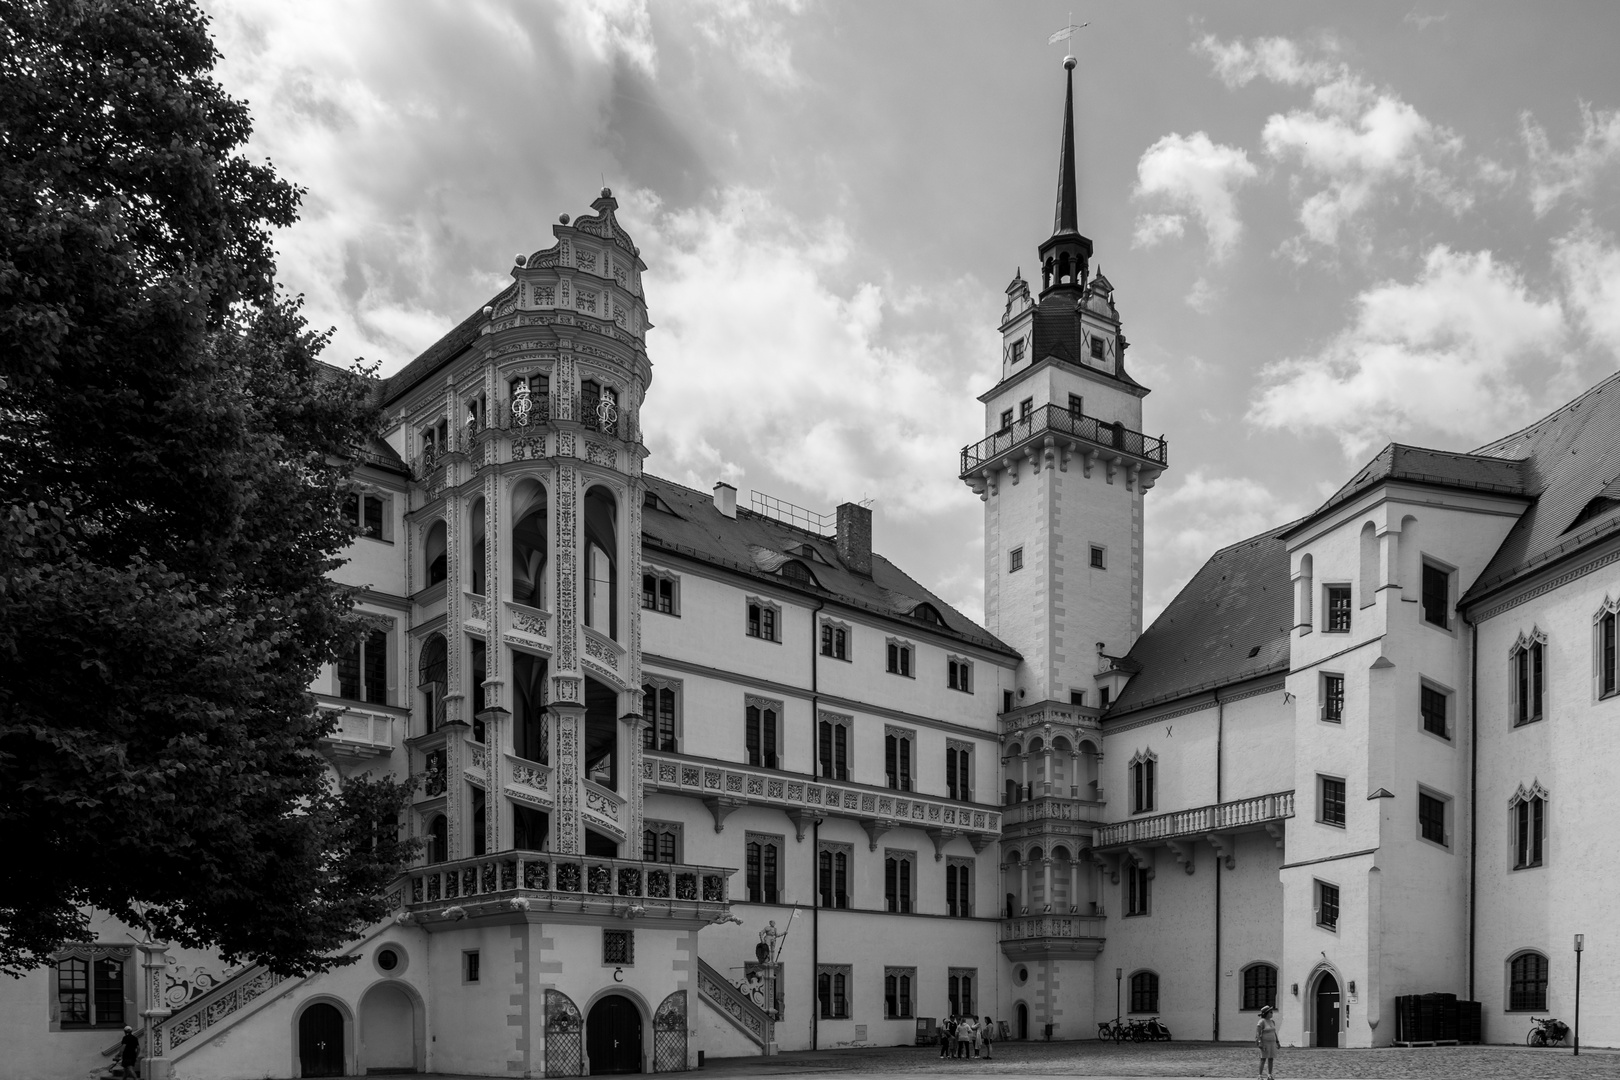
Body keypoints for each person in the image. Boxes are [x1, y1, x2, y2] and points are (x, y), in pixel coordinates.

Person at [1255, 1004, 1279, 1080]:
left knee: (1271, 1058)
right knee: (1263, 1058)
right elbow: (1258, 1033)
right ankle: (1260, 1075)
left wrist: (1277, 1041)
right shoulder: (1261, 1022)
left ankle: (1269, 1075)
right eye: (1270, 1012)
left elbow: (1274, 1032)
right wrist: (1259, 1042)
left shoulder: (1272, 1022)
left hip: (1272, 1042)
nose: (1272, 1013)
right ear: (1266, 1014)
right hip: (1265, 1042)